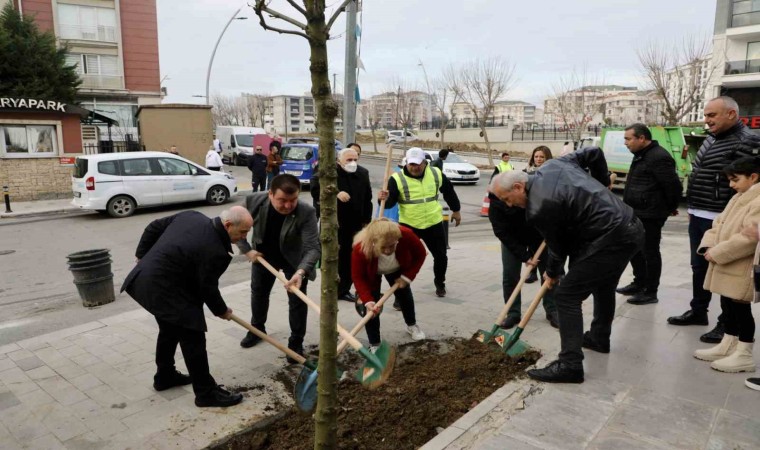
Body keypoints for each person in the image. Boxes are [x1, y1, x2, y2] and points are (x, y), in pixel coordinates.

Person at [490, 147, 644, 383]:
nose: (509, 205)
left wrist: (552, 273)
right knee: (603, 285)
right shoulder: (553, 165)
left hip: (610, 237)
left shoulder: (538, 208)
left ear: (519, 187)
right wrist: (603, 181)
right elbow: (594, 152)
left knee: (566, 296)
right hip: (631, 227)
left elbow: (557, 247)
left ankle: (570, 364)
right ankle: (599, 338)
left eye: (507, 199)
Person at [121, 206, 253, 407]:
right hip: (166, 291)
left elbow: (152, 227)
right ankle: (205, 393)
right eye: (243, 232)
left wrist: (141, 257)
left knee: (168, 331)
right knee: (193, 338)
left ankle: (164, 376)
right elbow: (207, 288)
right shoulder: (216, 251)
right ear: (227, 225)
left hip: (146, 280)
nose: (243, 237)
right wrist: (222, 310)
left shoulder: (191, 216)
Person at [668, 96, 760, 345]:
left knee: (723, 269)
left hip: (722, 216)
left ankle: (726, 325)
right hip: (699, 212)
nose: (707, 121)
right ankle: (698, 310)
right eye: (706, 115)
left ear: (731, 114)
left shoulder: (748, 141)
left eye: (712, 115)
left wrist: (730, 215)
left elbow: (745, 185)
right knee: (699, 267)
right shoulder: (711, 139)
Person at [236, 174, 320, 362]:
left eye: (293, 200)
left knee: (297, 301)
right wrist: (247, 251)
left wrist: (301, 272)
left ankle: (296, 342)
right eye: (282, 200)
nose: (288, 205)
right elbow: (232, 225)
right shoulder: (253, 201)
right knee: (258, 292)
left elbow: (313, 248)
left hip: (294, 260)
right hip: (263, 256)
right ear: (270, 194)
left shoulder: (306, 211)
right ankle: (257, 330)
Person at [692, 157, 760, 374]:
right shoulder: (739, 197)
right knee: (727, 305)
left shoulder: (757, 201)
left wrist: (719, 252)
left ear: (753, 177)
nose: (731, 184)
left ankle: (744, 353)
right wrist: (708, 247)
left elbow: (750, 238)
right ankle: (728, 343)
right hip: (726, 262)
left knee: (741, 308)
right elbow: (718, 224)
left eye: (735, 179)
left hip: (740, 265)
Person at [377, 147, 462, 297]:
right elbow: (389, 204)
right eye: (411, 164)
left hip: (433, 222)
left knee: (441, 256)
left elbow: (448, 191)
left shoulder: (435, 173)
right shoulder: (397, 179)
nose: (414, 167)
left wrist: (456, 210)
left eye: (418, 164)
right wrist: (383, 198)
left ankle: (440, 283)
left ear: (424, 162)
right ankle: (401, 293)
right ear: (406, 163)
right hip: (409, 225)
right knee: (403, 259)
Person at [615, 124, 682, 305]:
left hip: (650, 215)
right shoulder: (641, 155)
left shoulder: (658, 157)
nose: (626, 143)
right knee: (635, 250)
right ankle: (639, 283)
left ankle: (650, 291)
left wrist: (668, 208)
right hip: (636, 212)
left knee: (649, 252)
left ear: (642, 138)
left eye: (628, 139)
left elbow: (673, 187)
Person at [352, 219, 428, 349]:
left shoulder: (406, 234)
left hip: (398, 268)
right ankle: (374, 343)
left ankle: (412, 325)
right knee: (372, 309)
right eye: (383, 247)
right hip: (373, 272)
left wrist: (407, 277)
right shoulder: (362, 247)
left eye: (392, 246)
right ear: (374, 242)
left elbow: (421, 254)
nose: (387, 251)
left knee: (404, 296)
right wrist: (367, 300)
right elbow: (358, 277)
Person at [488, 192, 559, 330]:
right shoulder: (496, 201)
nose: (508, 203)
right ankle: (513, 313)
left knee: (549, 273)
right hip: (513, 240)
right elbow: (501, 232)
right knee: (510, 275)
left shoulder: (534, 192)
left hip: (540, 238)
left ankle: (552, 310)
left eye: (509, 199)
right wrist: (524, 256)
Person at [310, 147, 372, 301]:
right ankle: (331, 287)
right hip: (335, 223)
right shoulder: (329, 173)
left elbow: (367, 198)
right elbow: (315, 188)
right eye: (349, 160)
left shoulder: (362, 174)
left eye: (355, 160)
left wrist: (366, 220)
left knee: (351, 258)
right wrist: (335, 192)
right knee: (334, 257)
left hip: (356, 223)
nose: (352, 163)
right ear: (339, 161)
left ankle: (344, 289)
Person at [522, 146, 553, 283]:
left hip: (546, 214)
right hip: (531, 213)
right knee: (532, 245)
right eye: (536, 156)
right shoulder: (526, 173)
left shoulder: (552, 173)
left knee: (547, 247)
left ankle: (549, 272)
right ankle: (532, 271)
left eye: (542, 157)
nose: (539, 159)